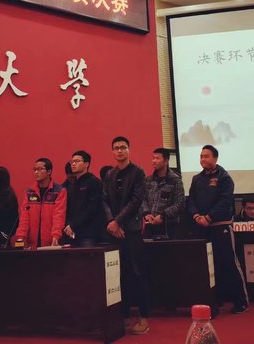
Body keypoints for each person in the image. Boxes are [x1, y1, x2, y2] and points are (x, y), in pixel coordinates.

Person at [187, 144, 249, 314]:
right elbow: (190, 200)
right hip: (202, 228)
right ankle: (216, 299)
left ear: (215, 158)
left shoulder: (224, 177)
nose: (202, 159)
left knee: (229, 264)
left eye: (206, 156)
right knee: (210, 266)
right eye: (201, 156)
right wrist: (196, 216)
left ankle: (241, 301)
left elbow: (225, 201)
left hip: (221, 227)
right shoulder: (196, 179)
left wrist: (209, 217)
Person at [102, 136, 150, 335]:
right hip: (114, 231)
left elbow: (136, 200)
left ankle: (143, 317)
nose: (119, 151)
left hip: (132, 230)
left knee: (137, 273)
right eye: (116, 148)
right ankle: (123, 316)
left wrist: (117, 221)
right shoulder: (110, 174)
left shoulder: (138, 172)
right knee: (118, 275)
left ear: (129, 149)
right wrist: (111, 222)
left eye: (123, 147)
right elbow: (104, 200)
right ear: (112, 151)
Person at [15, 158, 66, 248]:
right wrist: (20, 237)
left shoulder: (59, 191)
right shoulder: (30, 192)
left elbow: (59, 215)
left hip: (51, 242)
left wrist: (56, 235)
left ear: (49, 171)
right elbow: (24, 217)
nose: (36, 172)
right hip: (32, 242)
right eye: (35, 169)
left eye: (40, 169)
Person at [63, 150, 104, 247]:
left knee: (88, 256)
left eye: (77, 161)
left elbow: (92, 208)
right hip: (72, 232)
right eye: (72, 162)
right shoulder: (71, 184)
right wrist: (69, 225)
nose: (73, 164)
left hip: (88, 233)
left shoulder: (94, 182)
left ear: (86, 164)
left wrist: (74, 225)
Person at [142, 147, 185, 239]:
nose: (154, 161)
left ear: (166, 161)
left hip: (169, 227)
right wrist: (146, 213)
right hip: (150, 225)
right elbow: (143, 199)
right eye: (153, 158)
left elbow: (180, 203)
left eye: (157, 158)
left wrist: (163, 216)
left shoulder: (175, 180)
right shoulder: (148, 180)